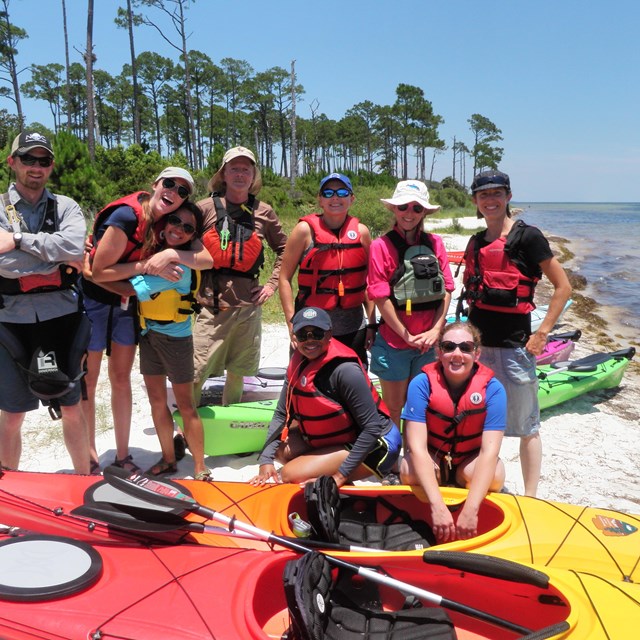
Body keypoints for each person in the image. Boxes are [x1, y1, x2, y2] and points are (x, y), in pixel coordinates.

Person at [81, 167, 212, 474]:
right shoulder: (128, 217)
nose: (174, 194)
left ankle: (126, 455)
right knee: (90, 379)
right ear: (155, 185)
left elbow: (207, 259)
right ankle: (89, 453)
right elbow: (99, 271)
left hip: (138, 313)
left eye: (182, 192)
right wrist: (145, 264)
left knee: (121, 378)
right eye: (169, 184)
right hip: (99, 301)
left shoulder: (170, 235)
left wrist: (172, 257)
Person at [461, 170, 571, 497]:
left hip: (516, 348)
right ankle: (482, 484)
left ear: (508, 197)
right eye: (483, 195)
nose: (490, 200)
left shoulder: (529, 238)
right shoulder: (476, 242)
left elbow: (564, 287)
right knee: (477, 424)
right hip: (477, 351)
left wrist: (544, 332)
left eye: (497, 194)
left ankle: (531, 496)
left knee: (527, 428)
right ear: (476, 202)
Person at [0, 130, 90, 473]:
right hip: (10, 321)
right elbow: (4, 266)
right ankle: (10, 495)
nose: (36, 167)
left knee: (71, 406)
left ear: (51, 166)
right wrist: (52, 266)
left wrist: (18, 239)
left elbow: (72, 248)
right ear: (13, 162)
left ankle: (84, 481)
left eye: (44, 160)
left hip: (62, 318)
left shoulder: (66, 206)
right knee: (12, 412)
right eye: (28, 159)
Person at [249, 307, 401, 488]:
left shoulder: (345, 371)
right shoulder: (298, 362)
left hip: (378, 445)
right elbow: (282, 413)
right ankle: (329, 465)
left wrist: (339, 477)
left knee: (290, 474)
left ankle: (390, 465)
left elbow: (372, 429)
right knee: (280, 451)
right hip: (342, 439)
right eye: (303, 335)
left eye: (317, 333)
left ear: (329, 334)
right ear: (294, 336)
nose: (310, 340)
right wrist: (265, 461)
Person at [367, 180, 454, 483]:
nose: (409, 212)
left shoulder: (436, 244)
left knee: (423, 404)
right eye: (403, 206)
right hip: (395, 341)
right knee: (394, 407)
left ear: (424, 212)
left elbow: (446, 291)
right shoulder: (381, 246)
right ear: (394, 208)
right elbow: (380, 295)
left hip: (429, 342)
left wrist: (436, 330)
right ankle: (392, 461)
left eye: (416, 207)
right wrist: (404, 334)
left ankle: (423, 455)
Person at [193, 146, 287, 406]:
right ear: (223, 173)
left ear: (253, 175)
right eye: (234, 168)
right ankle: (185, 429)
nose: (240, 174)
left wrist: (271, 285)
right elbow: (177, 240)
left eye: (246, 169)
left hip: (248, 306)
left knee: (238, 372)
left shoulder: (264, 212)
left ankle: (229, 424)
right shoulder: (204, 209)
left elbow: (285, 249)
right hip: (211, 306)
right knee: (196, 371)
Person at [400, 321, 506, 542]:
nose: (457, 354)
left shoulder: (494, 390)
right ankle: (434, 493)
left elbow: (490, 452)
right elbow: (417, 448)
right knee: (408, 471)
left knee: (495, 478)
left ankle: (462, 486)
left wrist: (471, 510)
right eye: (449, 347)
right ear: (439, 352)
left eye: (465, 348)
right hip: (434, 458)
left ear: (477, 353)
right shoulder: (421, 384)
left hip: (469, 459)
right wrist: (437, 507)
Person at [278, 173, 376, 366]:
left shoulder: (362, 233)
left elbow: (369, 283)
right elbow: (284, 279)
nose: (335, 198)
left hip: (353, 327)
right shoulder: (304, 231)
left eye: (342, 192)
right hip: (310, 327)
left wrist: (372, 324)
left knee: (352, 386)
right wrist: (291, 324)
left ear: (352, 198)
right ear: (320, 200)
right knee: (308, 386)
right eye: (328, 193)